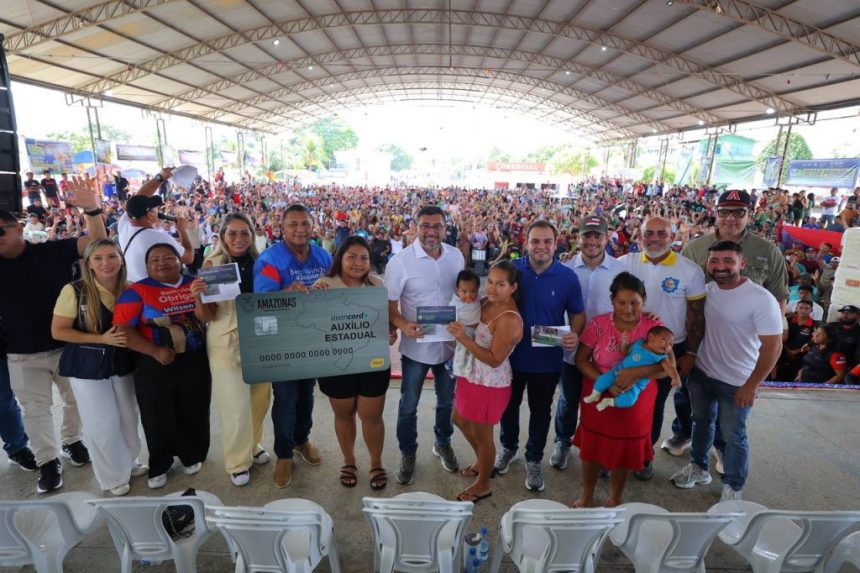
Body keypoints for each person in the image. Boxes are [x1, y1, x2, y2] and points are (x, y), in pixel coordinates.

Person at [0, 175, 105, 493]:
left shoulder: (51, 251)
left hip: (66, 346)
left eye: (1, 231)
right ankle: (47, 462)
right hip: (20, 354)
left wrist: (92, 211)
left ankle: (72, 441)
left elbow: (98, 245)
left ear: (19, 228)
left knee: (76, 400)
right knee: (35, 411)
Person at [670, 241, 782, 501]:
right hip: (702, 374)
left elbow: (773, 346)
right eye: (714, 261)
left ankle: (734, 487)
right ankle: (699, 468)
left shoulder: (760, 298)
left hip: (737, 382)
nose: (720, 267)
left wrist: (752, 385)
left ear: (742, 263)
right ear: (707, 264)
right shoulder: (707, 291)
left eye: (728, 261)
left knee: (734, 436)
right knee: (701, 423)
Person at [113, 243, 213, 489]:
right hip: (154, 362)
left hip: (195, 359)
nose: (161, 263)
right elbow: (122, 331)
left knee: (195, 409)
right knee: (157, 414)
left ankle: (191, 454)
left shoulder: (196, 283)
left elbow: (209, 317)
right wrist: (155, 351)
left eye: (168, 258)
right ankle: (160, 463)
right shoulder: (136, 292)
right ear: (147, 266)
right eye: (154, 260)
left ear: (180, 261)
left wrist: (199, 296)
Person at [50, 239, 146, 496]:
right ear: (88, 263)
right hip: (87, 367)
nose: (106, 263)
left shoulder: (131, 288)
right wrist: (101, 339)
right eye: (99, 258)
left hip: (123, 363)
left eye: (112, 256)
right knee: (102, 422)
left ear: (121, 259)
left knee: (128, 416)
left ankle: (130, 461)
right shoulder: (74, 290)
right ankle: (113, 477)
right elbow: (59, 331)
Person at [495, 220, 584, 492]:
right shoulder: (511, 270)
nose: (541, 246)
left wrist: (574, 333)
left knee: (541, 411)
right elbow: (491, 299)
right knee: (507, 407)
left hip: (547, 360)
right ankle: (508, 447)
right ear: (526, 243)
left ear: (556, 244)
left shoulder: (568, 277)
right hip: (509, 357)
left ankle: (534, 458)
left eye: (547, 241)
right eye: (535, 241)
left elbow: (578, 314)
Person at [621, 216, 706, 480]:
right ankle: (617, 453)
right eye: (649, 233)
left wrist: (690, 353)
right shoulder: (624, 263)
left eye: (661, 233)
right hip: (627, 348)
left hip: (668, 352)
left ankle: (644, 456)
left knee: (653, 406)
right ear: (640, 236)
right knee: (620, 399)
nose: (655, 239)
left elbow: (696, 316)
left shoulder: (690, 270)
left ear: (672, 237)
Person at [385, 205, 465, 485]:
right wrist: (403, 324)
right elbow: (389, 304)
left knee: (447, 402)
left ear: (446, 228)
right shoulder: (400, 262)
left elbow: (462, 296)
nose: (431, 232)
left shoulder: (456, 256)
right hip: (416, 348)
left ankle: (442, 443)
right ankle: (408, 451)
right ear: (415, 228)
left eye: (437, 226)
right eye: (425, 226)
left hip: (450, 347)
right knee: (408, 405)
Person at [572, 272, 667, 507]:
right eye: (621, 302)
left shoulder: (654, 328)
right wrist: (607, 383)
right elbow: (581, 360)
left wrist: (635, 374)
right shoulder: (598, 324)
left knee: (625, 449)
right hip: (599, 390)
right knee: (593, 447)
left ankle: (615, 498)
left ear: (644, 301)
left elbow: (665, 368)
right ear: (612, 300)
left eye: (635, 302)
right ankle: (587, 496)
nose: (628, 309)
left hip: (637, 398)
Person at [254, 204, 332, 488]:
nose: (300, 229)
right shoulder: (270, 260)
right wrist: (287, 292)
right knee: (286, 398)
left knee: (307, 394)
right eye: (293, 224)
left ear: (312, 226)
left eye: (305, 224)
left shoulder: (323, 255)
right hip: (282, 341)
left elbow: (336, 288)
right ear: (282, 228)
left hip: (312, 338)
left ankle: (301, 440)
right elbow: (260, 305)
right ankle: (284, 455)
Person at [312, 236, 393, 490]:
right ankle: (349, 461)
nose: (358, 262)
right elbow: (312, 328)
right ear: (340, 258)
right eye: (352, 256)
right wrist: (314, 300)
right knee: (344, 414)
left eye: (364, 258)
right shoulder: (323, 285)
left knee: (372, 416)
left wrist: (390, 332)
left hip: (372, 362)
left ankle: (376, 463)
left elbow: (386, 323)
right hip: (336, 364)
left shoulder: (377, 284)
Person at [199, 213, 271, 487]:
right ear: (222, 236)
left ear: (253, 235)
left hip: (261, 336)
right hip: (226, 340)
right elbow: (207, 315)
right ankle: (237, 462)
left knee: (259, 398)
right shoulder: (213, 264)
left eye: (244, 233)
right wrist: (197, 296)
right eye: (232, 233)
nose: (239, 238)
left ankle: (252, 445)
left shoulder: (261, 263)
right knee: (234, 405)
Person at [552, 215, 624, 471]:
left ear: (606, 238)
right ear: (578, 238)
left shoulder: (620, 270)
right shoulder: (565, 268)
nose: (592, 241)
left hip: (607, 353)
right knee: (568, 399)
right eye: (587, 236)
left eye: (597, 236)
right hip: (571, 347)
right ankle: (563, 441)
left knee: (602, 400)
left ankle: (600, 448)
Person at [447, 261, 523, 503]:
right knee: (458, 418)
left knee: (484, 437)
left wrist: (462, 338)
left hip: (489, 383)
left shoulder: (508, 318)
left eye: (500, 284)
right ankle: (482, 461)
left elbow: (495, 360)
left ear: (513, 288)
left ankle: (483, 484)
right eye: (490, 281)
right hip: (471, 375)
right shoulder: (486, 302)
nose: (492, 288)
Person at [117, 167, 195, 282]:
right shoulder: (160, 239)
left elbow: (136, 199)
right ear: (150, 215)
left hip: (133, 286)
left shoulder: (124, 225)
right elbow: (188, 258)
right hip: (153, 288)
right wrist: (182, 231)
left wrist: (160, 177)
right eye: (155, 208)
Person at [583, 326, 681, 411]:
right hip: (618, 371)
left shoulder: (662, 358)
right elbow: (625, 351)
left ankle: (609, 402)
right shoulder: (639, 343)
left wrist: (675, 378)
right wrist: (624, 343)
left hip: (637, 385)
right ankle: (595, 394)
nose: (667, 345)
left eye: (670, 344)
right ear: (651, 336)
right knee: (602, 380)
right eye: (664, 340)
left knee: (629, 400)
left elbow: (670, 368)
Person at [450, 270, 482, 378]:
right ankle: (458, 372)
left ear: (478, 289)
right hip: (463, 333)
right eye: (464, 291)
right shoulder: (454, 303)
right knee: (462, 354)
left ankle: (473, 372)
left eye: (473, 291)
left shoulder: (478, 299)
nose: (469, 295)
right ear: (457, 290)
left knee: (476, 355)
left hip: (477, 332)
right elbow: (451, 320)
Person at [777, 300, 815, 381]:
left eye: (806, 308)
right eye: (800, 308)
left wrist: (796, 352)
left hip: (802, 358)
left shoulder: (814, 325)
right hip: (784, 354)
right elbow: (782, 338)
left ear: (811, 310)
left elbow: (812, 342)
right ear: (796, 308)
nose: (803, 310)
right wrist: (788, 351)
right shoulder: (787, 320)